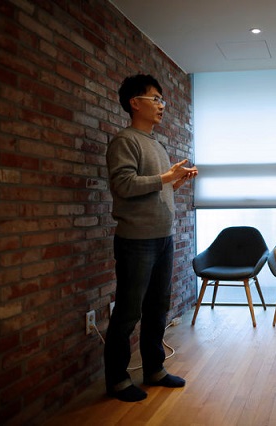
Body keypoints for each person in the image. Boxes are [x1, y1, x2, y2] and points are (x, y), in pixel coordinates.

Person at [104, 74, 198, 402]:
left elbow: (158, 186)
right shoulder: (124, 140)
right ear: (135, 103)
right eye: (155, 98)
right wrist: (165, 177)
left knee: (158, 307)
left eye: (162, 100)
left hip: (163, 237)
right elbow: (124, 185)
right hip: (136, 240)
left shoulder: (156, 143)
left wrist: (177, 181)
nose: (161, 105)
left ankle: (154, 369)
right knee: (129, 312)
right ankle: (116, 380)